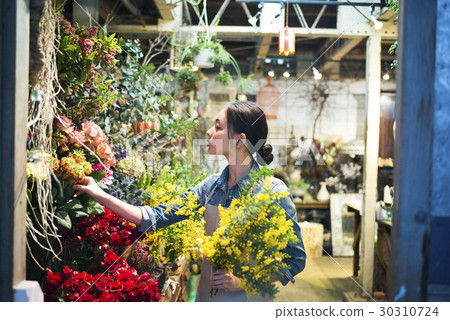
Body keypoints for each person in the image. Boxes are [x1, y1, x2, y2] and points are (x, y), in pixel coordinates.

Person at [73, 101, 306, 302]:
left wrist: (244, 281)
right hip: (205, 299)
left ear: (239, 141)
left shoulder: (273, 192)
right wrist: (99, 193)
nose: (208, 132)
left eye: (217, 127)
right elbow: (155, 218)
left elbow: (295, 261)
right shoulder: (210, 187)